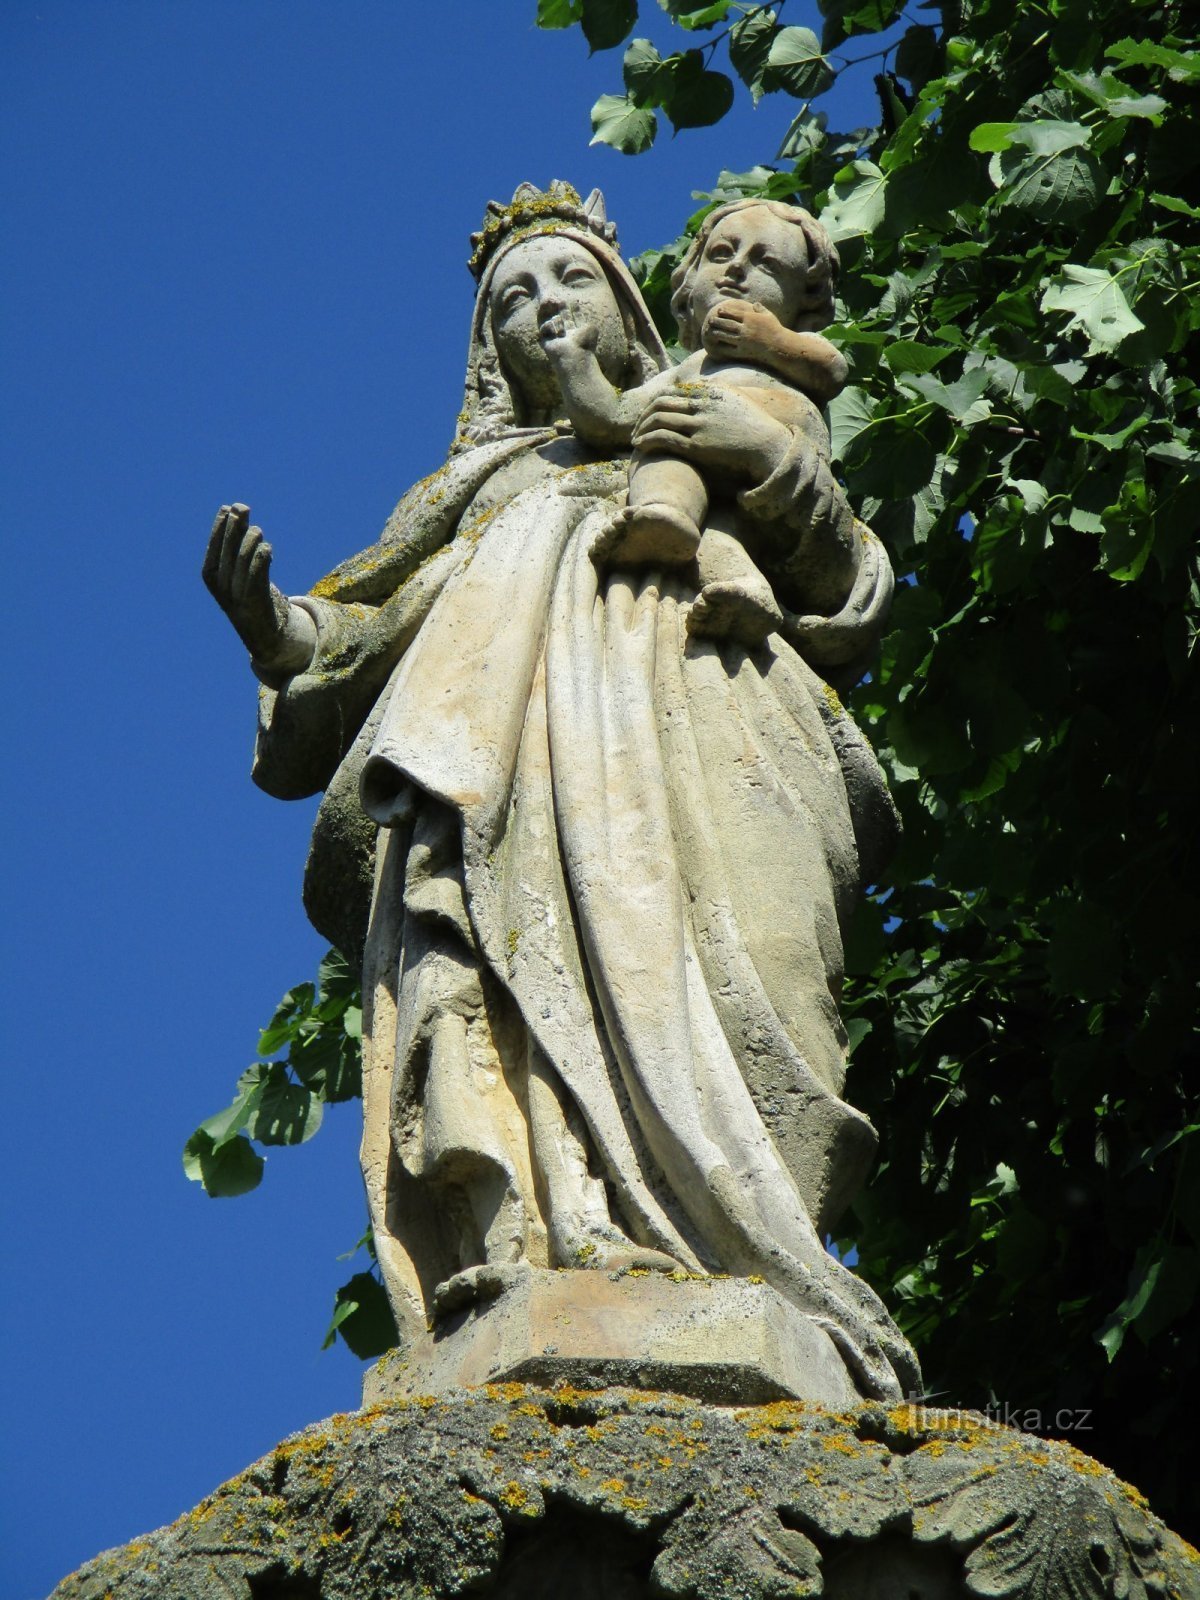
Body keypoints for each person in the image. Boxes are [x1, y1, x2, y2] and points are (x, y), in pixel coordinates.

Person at [203, 181, 917, 1402]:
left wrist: (749, 461)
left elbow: (847, 578)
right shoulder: (483, 492)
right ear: (488, 351)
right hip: (505, 767)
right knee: (481, 972)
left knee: (762, 964)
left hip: (710, 715)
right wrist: (275, 629)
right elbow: (362, 623)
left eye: (572, 280)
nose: (545, 308)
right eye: (514, 299)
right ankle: (535, 1241)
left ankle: (768, 1264)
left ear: (630, 303)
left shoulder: (708, 407)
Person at [543, 199, 849, 648]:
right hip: (694, 452)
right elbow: (612, 417)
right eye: (722, 254)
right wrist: (575, 362)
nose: (737, 270)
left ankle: (672, 521)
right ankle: (698, 548)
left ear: (805, 299)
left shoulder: (793, 347)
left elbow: (832, 370)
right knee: (679, 468)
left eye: (766, 264)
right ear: (689, 283)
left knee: (678, 448)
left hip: (778, 455)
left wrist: (768, 341)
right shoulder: (690, 371)